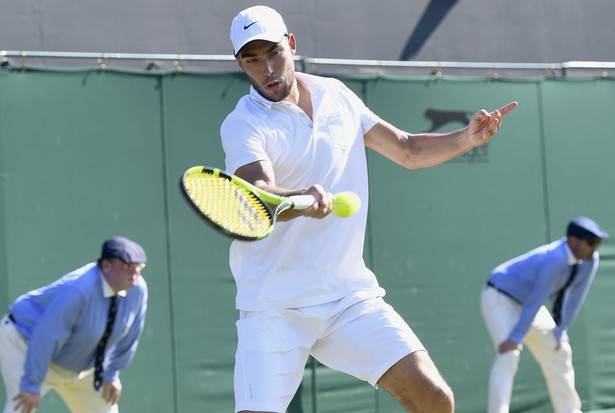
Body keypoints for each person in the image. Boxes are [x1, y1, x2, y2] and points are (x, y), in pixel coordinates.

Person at [221, 5, 517, 413]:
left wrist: (466, 138)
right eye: (252, 60)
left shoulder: (336, 95)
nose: (267, 69)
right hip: (274, 307)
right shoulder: (243, 124)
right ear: (240, 63)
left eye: (273, 53)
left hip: (347, 297)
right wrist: (301, 199)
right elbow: (258, 193)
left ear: (291, 44)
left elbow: (408, 150)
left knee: (435, 399)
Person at [0, 236, 148, 413]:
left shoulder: (137, 290)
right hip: (24, 344)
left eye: (138, 266)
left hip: (82, 366)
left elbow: (130, 336)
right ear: (106, 265)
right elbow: (46, 335)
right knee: (21, 408)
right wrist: (32, 384)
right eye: (127, 266)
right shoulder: (79, 291)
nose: (134, 272)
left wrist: (111, 373)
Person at [481, 216, 609, 413]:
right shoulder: (554, 260)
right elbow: (537, 299)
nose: (595, 248)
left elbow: (575, 297)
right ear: (573, 241)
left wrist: (561, 329)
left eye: (598, 243)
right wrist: (516, 337)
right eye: (591, 243)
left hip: (528, 302)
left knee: (560, 350)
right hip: (499, 297)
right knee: (510, 354)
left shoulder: (591, 260)